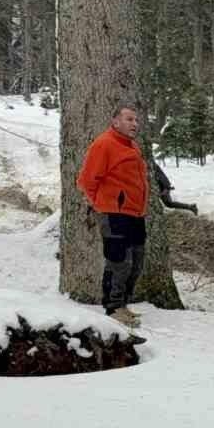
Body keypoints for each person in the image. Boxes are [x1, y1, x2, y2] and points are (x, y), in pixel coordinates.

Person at [77, 106, 149, 327]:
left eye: (136, 120)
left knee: (136, 261)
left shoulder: (132, 146)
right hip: (114, 213)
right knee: (119, 262)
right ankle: (113, 307)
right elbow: (87, 181)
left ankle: (123, 304)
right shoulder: (104, 144)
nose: (134, 124)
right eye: (129, 119)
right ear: (115, 121)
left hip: (136, 213)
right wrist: (104, 204)